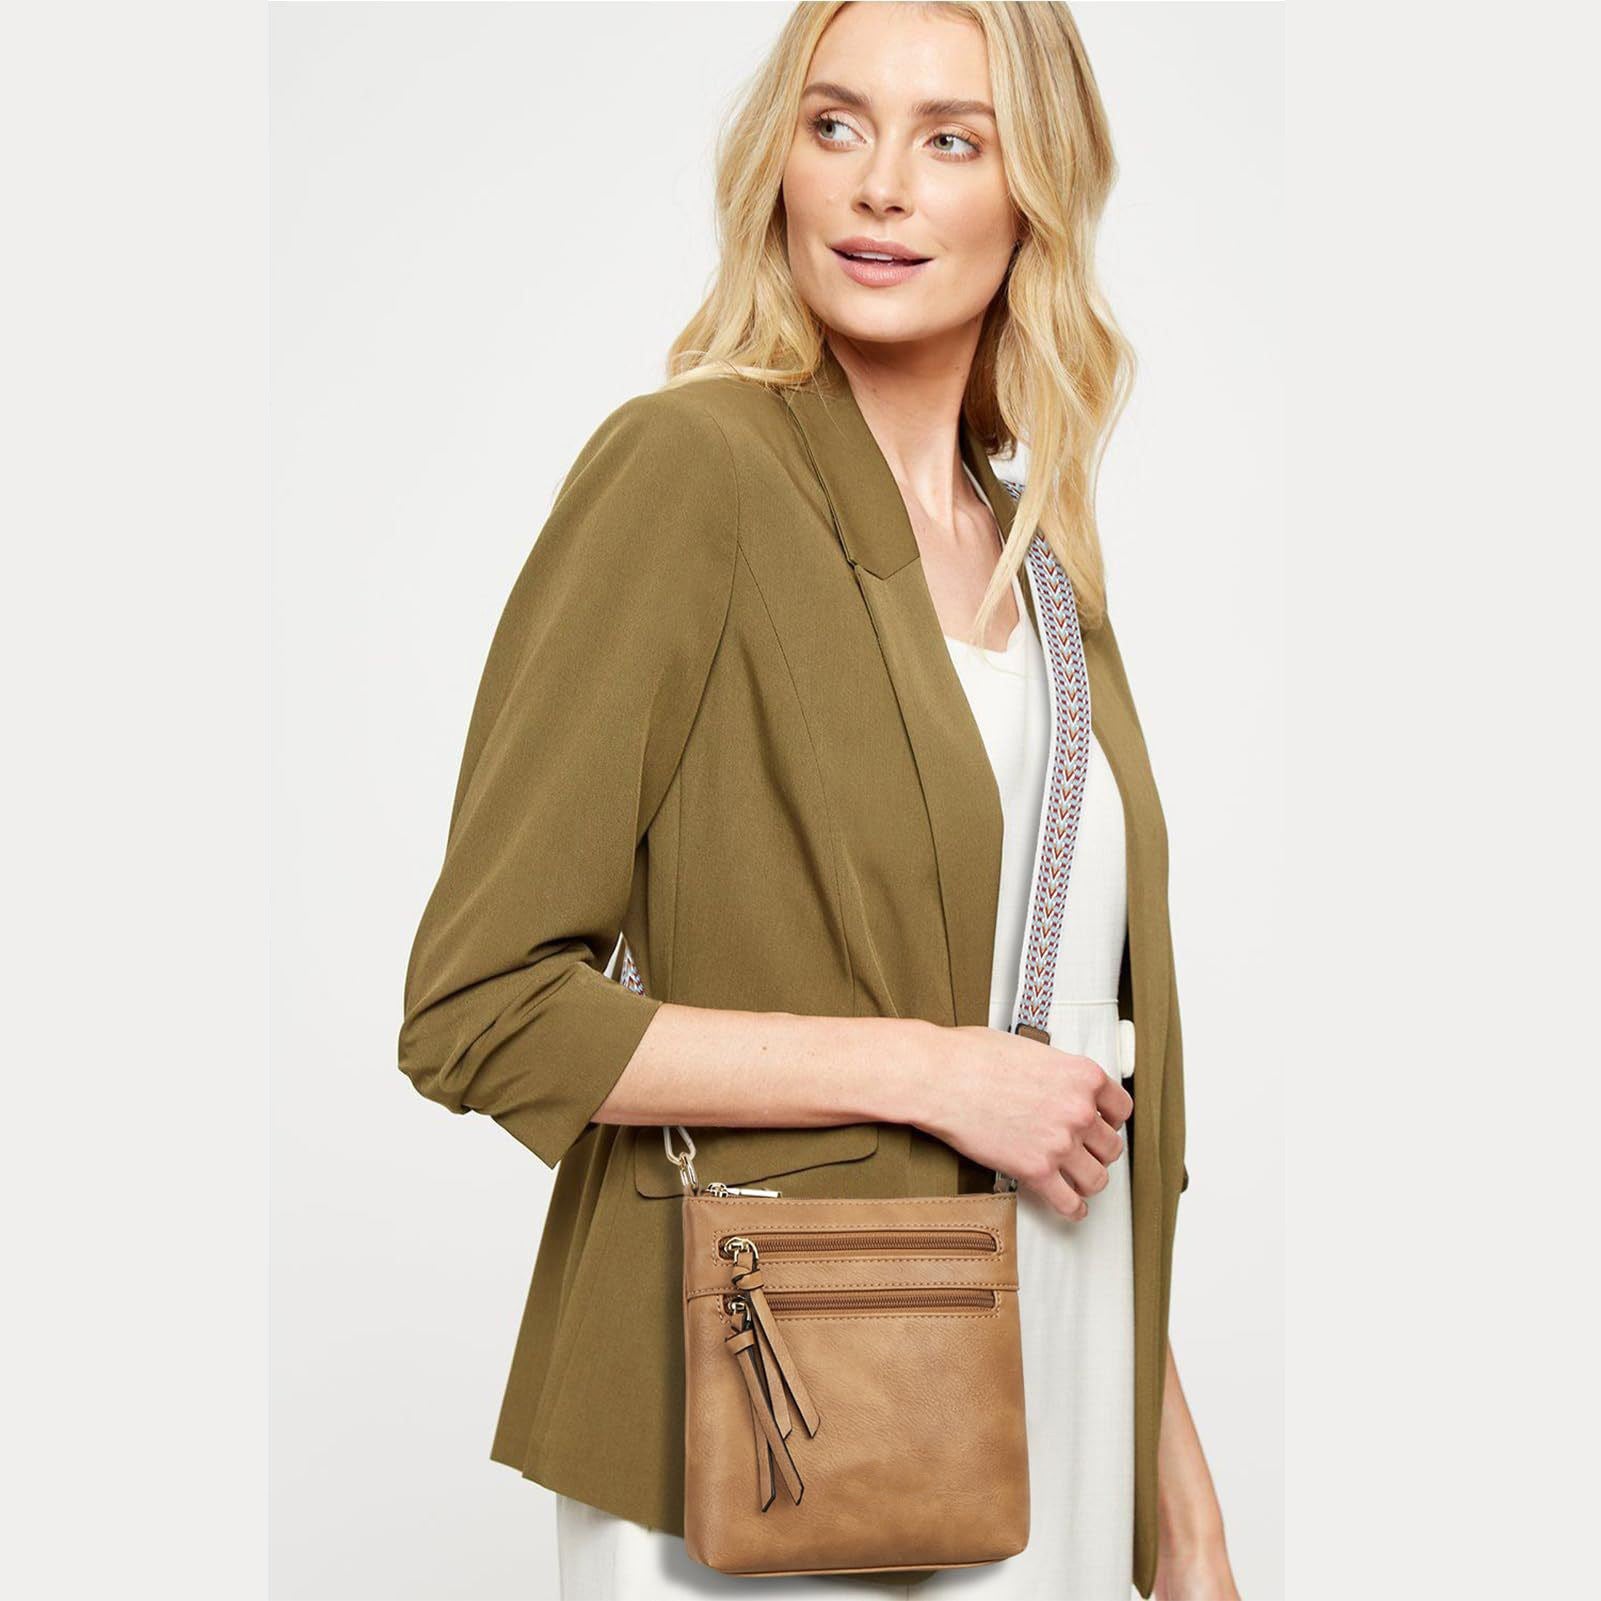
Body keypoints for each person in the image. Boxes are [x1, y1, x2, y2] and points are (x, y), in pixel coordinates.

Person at [399, 4, 1238, 1597]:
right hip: (779, 1414)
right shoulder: (691, 470)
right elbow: (478, 1009)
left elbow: (1076, 1109)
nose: (878, 186)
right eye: (834, 124)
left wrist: (1180, 1514)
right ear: (776, 161)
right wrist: (929, 1073)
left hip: (1051, 1403)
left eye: (950, 139)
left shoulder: (1047, 572)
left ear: (1034, 193)